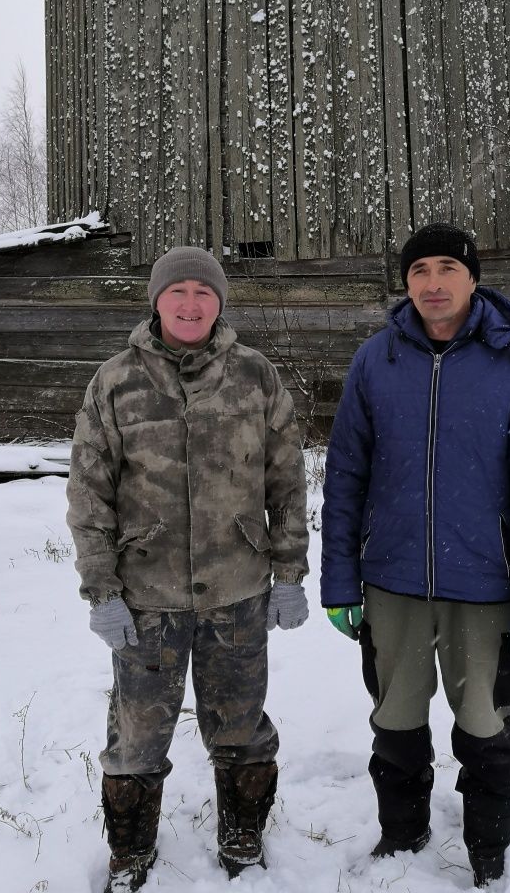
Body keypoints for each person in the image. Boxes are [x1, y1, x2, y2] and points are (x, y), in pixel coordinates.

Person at [321, 222, 510, 888]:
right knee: (395, 728)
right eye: (420, 269)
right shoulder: (377, 361)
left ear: (472, 278)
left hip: (486, 588)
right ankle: (402, 838)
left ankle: (488, 856)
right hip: (393, 584)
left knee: (485, 734)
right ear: (405, 282)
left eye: (447, 269)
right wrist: (341, 581)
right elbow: (345, 478)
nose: (433, 283)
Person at [67, 246, 309, 892]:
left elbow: (286, 479)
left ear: (220, 302)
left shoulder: (256, 377)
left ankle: (242, 831)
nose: (191, 303)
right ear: (157, 300)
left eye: (204, 292)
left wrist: (290, 573)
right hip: (147, 596)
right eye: (179, 292)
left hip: (238, 589)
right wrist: (101, 589)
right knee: (138, 735)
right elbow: (90, 491)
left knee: (239, 727)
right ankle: (130, 850)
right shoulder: (115, 381)